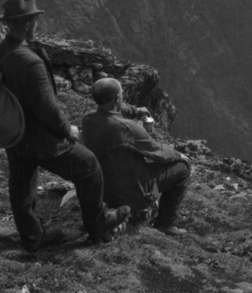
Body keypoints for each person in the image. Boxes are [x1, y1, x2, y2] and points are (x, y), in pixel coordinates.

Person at [0, 0, 130, 252]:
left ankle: (32, 237)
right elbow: (47, 109)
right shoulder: (31, 62)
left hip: (13, 134)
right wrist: (68, 131)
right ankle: (98, 224)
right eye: (34, 20)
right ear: (28, 24)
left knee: (21, 183)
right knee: (89, 167)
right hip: (41, 138)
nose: (36, 24)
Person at [82, 77, 191, 235]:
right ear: (117, 98)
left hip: (102, 190)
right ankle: (166, 224)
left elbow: (111, 110)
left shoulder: (88, 119)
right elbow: (159, 153)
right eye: (121, 94)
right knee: (183, 168)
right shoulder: (129, 129)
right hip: (132, 195)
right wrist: (179, 154)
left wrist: (135, 110)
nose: (123, 95)